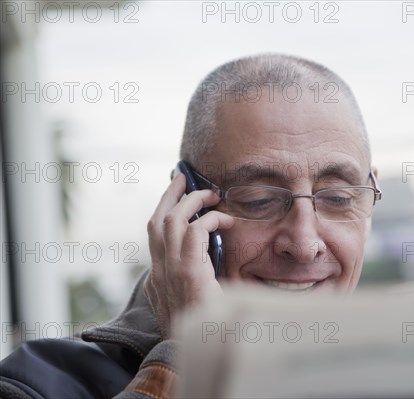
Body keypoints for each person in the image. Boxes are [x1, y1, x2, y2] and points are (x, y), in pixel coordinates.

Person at [0, 53, 381, 399]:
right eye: (258, 200)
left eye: (338, 198)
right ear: (185, 206)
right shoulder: (34, 386)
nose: (304, 244)